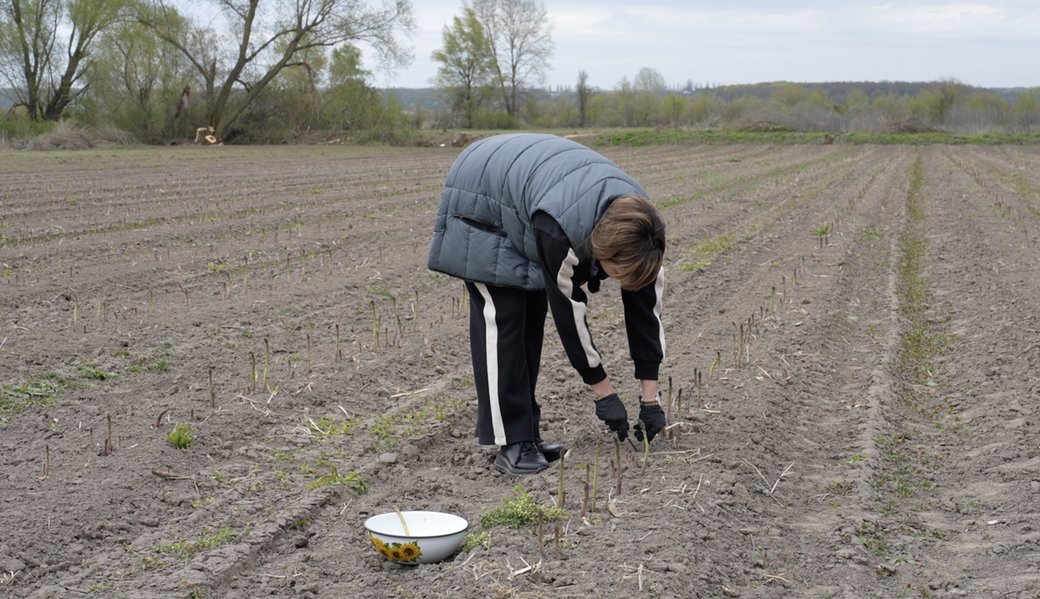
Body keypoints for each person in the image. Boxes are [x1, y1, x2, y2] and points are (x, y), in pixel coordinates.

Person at [427, 133, 667, 475]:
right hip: (481, 190)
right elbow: (569, 316)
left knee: (531, 315)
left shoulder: (644, 234)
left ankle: (527, 437)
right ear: (602, 251)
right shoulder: (562, 231)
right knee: (505, 318)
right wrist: (604, 392)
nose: (617, 282)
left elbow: (646, 312)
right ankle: (511, 444)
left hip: (532, 191)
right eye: (615, 274)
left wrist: (650, 399)